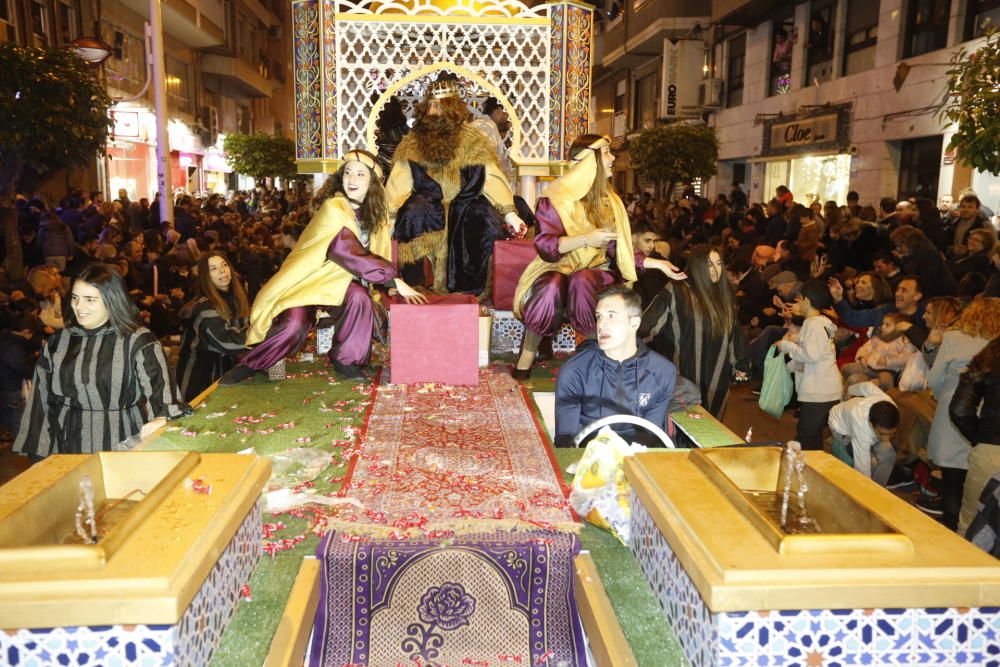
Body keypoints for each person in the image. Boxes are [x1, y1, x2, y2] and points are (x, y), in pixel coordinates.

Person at [221, 150, 426, 384]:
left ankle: (346, 360)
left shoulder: (375, 216)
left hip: (341, 283)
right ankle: (252, 363)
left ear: (371, 183)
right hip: (309, 280)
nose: (352, 179)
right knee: (294, 325)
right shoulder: (334, 207)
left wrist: (386, 286)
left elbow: (379, 252)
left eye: (360, 174)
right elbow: (344, 250)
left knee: (360, 298)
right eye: (348, 173)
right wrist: (393, 280)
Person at [511, 134, 686, 378]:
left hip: (595, 272)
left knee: (582, 280)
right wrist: (587, 239)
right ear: (587, 160)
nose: (613, 157)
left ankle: (593, 350)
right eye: (606, 152)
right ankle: (527, 355)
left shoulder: (610, 201)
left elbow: (620, 248)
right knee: (550, 287)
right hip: (555, 266)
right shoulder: (555, 197)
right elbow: (546, 246)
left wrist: (656, 263)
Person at [14, 263, 189, 458]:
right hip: (70, 445)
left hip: (122, 443)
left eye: (90, 299)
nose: (79, 307)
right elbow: (42, 400)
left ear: (111, 300)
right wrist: (40, 455)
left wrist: (161, 418)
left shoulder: (138, 341)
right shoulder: (59, 342)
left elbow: (162, 392)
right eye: (75, 298)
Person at [384, 78, 526, 294]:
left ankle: (469, 290)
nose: (433, 111)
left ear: (452, 109)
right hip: (428, 203)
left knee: (481, 216)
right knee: (414, 213)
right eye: (430, 106)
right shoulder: (413, 143)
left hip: (465, 203)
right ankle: (418, 285)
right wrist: (390, 218)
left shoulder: (472, 140)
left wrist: (509, 214)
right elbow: (399, 180)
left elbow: (490, 177)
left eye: (439, 106)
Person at [553, 286, 677, 447]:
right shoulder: (575, 371)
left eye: (611, 316)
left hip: (636, 459)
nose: (602, 324)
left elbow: (651, 437)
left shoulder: (662, 372)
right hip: (586, 458)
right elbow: (566, 440)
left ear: (634, 323)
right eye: (599, 316)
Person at [641, 244, 748, 418]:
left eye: (719, 263)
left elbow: (734, 334)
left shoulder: (724, 295)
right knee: (682, 433)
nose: (715, 270)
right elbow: (645, 327)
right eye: (708, 264)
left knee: (710, 433)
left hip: (716, 383)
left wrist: (741, 365)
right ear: (697, 266)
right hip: (683, 382)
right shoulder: (677, 290)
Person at [921, 297, 1000, 529]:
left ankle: (952, 533)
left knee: (952, 484)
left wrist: (941, 393)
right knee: (981, 490)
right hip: (987, 421)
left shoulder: (954, 338)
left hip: (952, 414)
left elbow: (934, 378)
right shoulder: (996, 344)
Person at [775, 279, 843, 450]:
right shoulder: (818, 323)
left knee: (804, 438)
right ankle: (812, 469)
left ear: (807, 301)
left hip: (819, 391)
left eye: (799, 299)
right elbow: (814, 351)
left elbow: (811, 355)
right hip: (823, 389)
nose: (797, 303)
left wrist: (787, 346)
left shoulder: (814, 324)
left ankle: (800, 472)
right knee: (812, 439)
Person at [176, 252, 251, 402]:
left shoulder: (235, 298)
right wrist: (265, 332)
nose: (222, 271)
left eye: (224, 265)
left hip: (225, 366)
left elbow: (244, 328)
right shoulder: (204, 307)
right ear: (205, 276)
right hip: (199, 373)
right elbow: (227, 341)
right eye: (213, 268)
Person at [950, 335, 1000, 536]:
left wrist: (981, 439)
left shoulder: (991, 354)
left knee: (971, 524)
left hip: (991, 450)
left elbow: (960, 410)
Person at [829, 381, 899, 486]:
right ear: (871, 424)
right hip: (840, 426)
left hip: (859, 420)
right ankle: (869, 495)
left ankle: (879, 490)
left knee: (890, 455)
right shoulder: (861, 425)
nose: (887, 438)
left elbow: (866, 386)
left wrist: (850, 390)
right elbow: (862, 469)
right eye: (882, 434)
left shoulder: (888, 404)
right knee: (871, 464)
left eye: (892, 433)